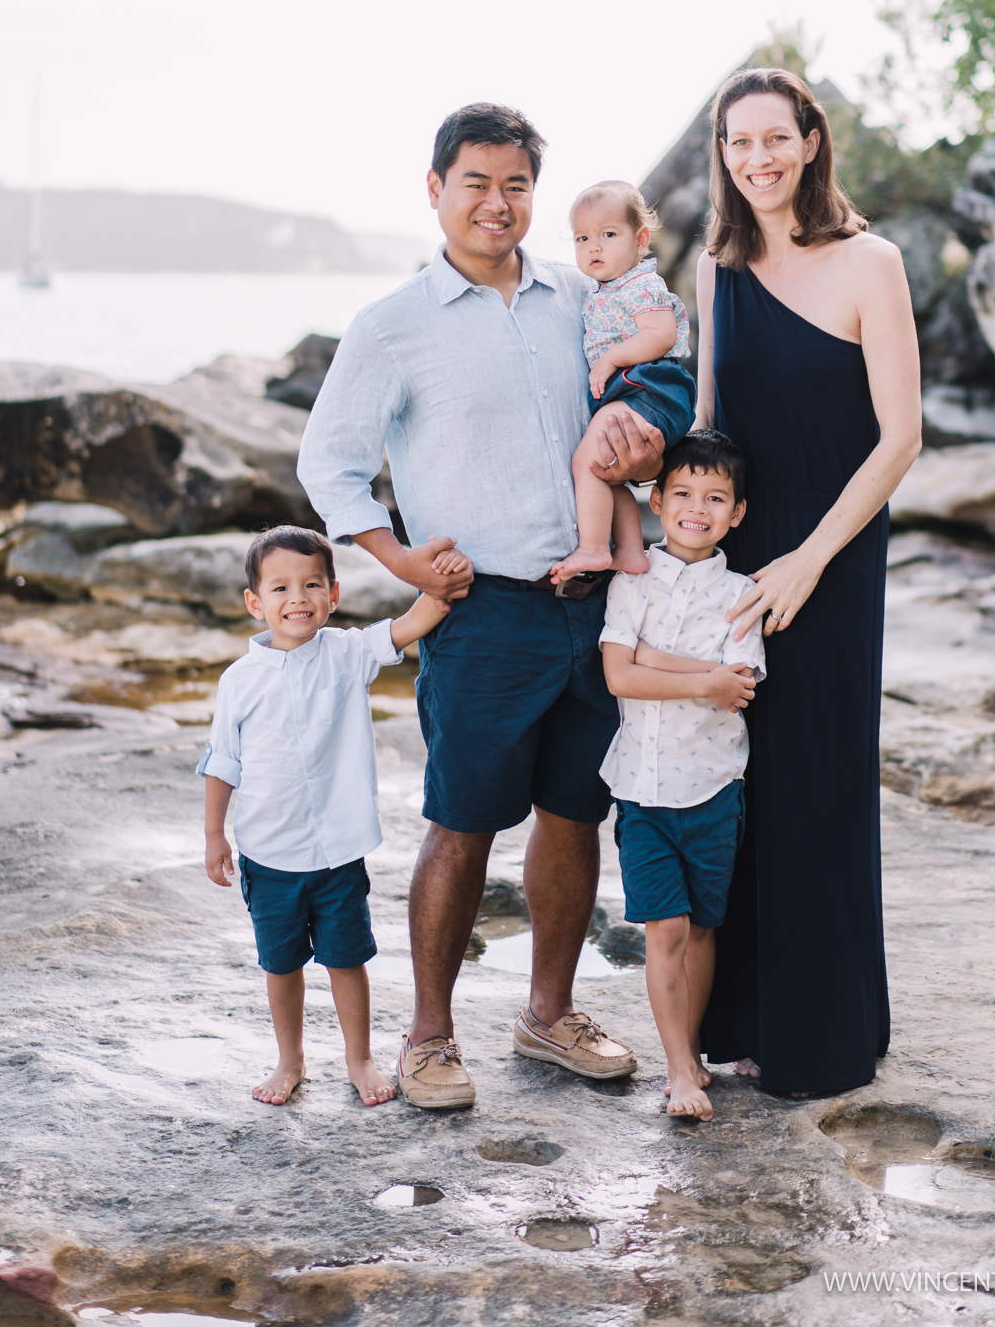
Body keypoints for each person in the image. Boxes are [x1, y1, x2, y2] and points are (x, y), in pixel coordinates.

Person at [297, 103, 665, 1110]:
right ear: (435, 190)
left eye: (515, 185)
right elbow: (329, 465)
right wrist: (405, 564)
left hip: (592, 605)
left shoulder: (576, 305)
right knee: (460, 824)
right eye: (476, 183)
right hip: (480, 613)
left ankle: (549, 1016)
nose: (497, 203)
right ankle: (428, 1037)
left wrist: (647, 451)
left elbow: (635, 417)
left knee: (575, 813)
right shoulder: (393, 327)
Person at [695, 65, 922, 1097]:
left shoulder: (871, 261)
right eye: (739, 143)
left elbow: (900, 438)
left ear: (811, 140)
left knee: (818, 784)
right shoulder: (716, 266)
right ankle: (739, 1019)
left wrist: (810, 558)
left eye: (774, 138)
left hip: (831, 556)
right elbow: (705, 429)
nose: (759, 159)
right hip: (738, 562)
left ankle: (826, 1034)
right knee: (739, 777)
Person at [199, 524, 452, 1107]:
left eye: (312, 585)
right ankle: (289, 1060)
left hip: (338, 846)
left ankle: (359, 1059)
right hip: (269, 851)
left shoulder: (347, 652)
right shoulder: (239, 682)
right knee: (281, 964)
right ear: (255, 603)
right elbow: (222, 762)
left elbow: (413, 622)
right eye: (281, 588)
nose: (298, 599)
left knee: (346, 958)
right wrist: (215, 834)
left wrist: (439, 579)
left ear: (333, 595)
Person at [600, 430, 765, 1119]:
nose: (698, 508)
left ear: (737, 513)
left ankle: (691, 1052)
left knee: (701, 929)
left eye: (716, 498)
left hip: (713, 789)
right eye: (684, 494)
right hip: (642, 789)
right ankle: (679, 1071)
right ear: (658, 501)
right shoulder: (631, 580)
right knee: (664, 929)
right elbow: (618, 675)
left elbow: (740, 684)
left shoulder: (744, 594)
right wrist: (701, 677)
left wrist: (653, 659)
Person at [550, 181, 696, 584]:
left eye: (608, 235)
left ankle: (595, 550)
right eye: (582, 238)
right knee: (606, 472)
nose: (593, 247)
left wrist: (612, 358)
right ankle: (631, 554)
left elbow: (661, 334)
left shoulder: (641, 284)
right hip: (633, 391)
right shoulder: (600, 291)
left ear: (641, 240)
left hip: (650, 387)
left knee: (586, 463)